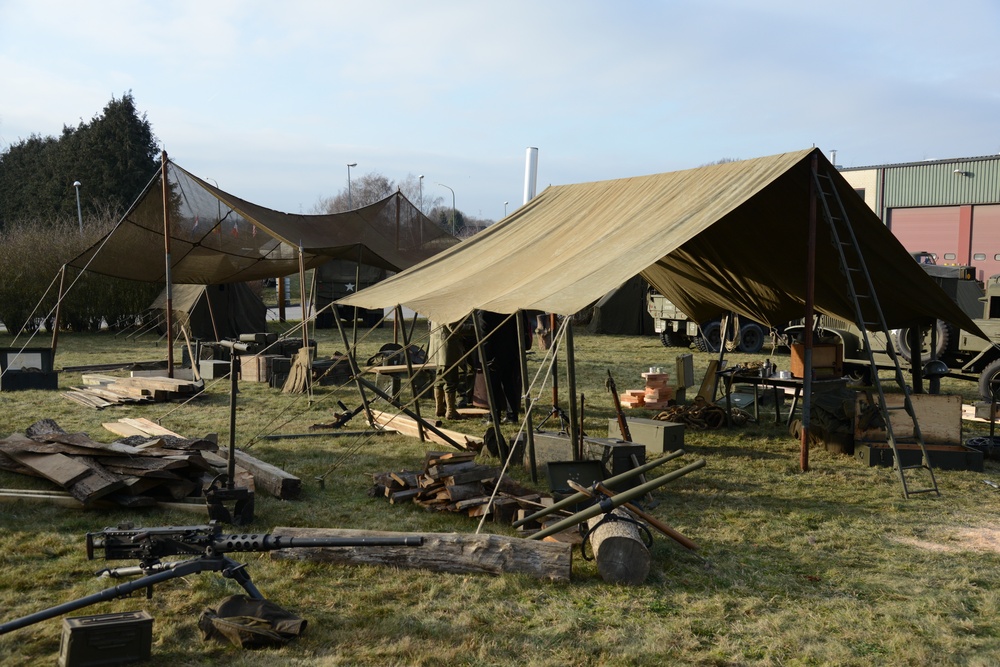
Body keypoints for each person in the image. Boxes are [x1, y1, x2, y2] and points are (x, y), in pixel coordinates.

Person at [428, 320, 465, 420]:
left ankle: (440, 408)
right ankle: (450, 411)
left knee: (440, 378)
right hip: (447, 347)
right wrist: (473, 328)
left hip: (438, 345)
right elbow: (454, 327)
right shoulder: (450, 307)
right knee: (450, 379)